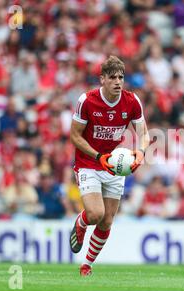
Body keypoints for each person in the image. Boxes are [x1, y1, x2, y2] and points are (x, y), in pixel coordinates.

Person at [69, 56, 150, 276]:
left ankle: (86, 265)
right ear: (102, 79)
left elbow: (143, 133)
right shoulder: (87, 100)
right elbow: (75, 136)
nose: (117, 81)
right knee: (95, 214)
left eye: (121, 77)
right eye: (112, 77)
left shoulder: (132, 101)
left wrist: (140, 153)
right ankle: (82, 221)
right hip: (89, 162)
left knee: (107, 220)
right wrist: (98, 157)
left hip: (114, 163)